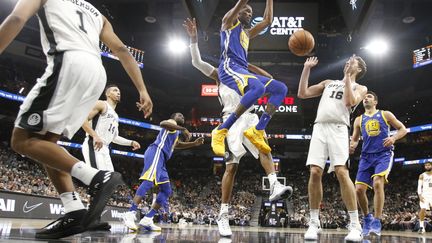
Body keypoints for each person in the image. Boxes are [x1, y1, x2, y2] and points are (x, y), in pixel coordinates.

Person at [0, 0, 152, 239]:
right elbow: (122, 50)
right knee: (47, 144)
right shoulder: (96, 13)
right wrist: (142, 89)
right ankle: (74, 211)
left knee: (22, 140)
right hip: (97, 74)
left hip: (68, 62)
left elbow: (17, 19)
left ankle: (94, 177)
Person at [183, 18, 292, 237]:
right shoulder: (219, 73)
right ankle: (223, 215)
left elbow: (269, 79)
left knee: (265, 149)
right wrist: (194, 40)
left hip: (250, 116)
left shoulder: (242, 72)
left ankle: (274, 186)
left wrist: (247, 65)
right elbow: (196, 62)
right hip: (230, 117)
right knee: (231, 167)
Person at [298, 56, 368, 241]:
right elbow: (303, 93)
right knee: (314, 172)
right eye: (347, 60)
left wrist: (347, 79)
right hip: (319, 126)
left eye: (352, 61)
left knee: (341, 172)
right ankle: (314, 222)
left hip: (339, 128)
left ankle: (355, 225)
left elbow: (349, 102)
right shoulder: (328, 82)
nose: (348, 62)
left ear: (359, 69)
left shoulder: (360, 88)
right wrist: (307, 69)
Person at [212, 0, 289, 157]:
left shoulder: (246, 34)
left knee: (280, 88)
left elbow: (267, 20)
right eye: (246, 11)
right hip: (229, 67)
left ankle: (257, 130)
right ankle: (221, 129)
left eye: (251, 13)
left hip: (242, 70)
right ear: (238, 11)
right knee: (258, 88)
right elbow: (238, 7)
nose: (249, 14)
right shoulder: (228, 24)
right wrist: (242, 4)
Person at [122, 113, 204, 231]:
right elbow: (162, 123)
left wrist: (194, 144)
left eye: (183, 116)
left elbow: (177, 145)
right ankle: (130, 213)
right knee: (149, 182)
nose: (182, 116)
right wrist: (184, 129)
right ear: (173, 117)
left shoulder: (175, 131)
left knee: (166, 190)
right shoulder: (172, 123)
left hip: (162, 160)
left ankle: (148, 219)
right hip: (156, 151)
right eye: (179, 115)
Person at [81, 84, 142, 230]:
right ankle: (90, 220)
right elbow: (83, 120)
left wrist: (130, 142)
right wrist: (94, 135)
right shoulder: (101, 104)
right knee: (99, 181)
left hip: (105, 148)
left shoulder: (115, 115)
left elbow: (114, 137)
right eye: (115, 90)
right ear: (107, 93)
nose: (118, 93)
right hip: (94, 144)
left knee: (110, 183)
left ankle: (94, 218)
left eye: (119, 91)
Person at [351, 91, 407, 236]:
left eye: (369, 97)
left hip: (383, 154)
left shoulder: (385, 114)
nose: (365, 98)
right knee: (358, 190)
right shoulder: (358, 119)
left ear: (375, 102)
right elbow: (355, 138)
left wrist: (393, 138)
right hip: (365, 157)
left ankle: (377, 220)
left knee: (377, 183)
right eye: (364, 97)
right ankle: (367, 218)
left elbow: (402, 129)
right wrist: (352, 145)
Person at [417, 162, 432, 234]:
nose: (427, 166)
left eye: (428, 165)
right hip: (424, 195)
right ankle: (421, 227)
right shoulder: (422, 175)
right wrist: (420, 195)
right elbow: (419, 186)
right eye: (426, 165)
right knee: (422, 209)